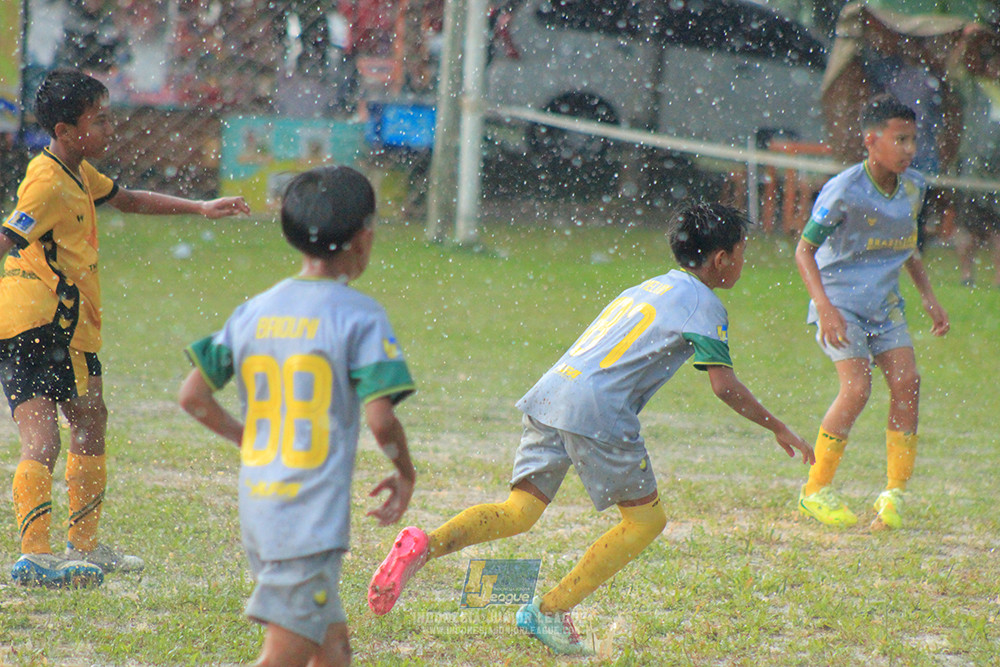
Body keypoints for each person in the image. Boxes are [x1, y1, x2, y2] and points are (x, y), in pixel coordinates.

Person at [367, 201, 815, 655]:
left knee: (519, 510)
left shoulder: (648, 287)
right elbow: (724, 386)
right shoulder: (706, 305)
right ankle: (549, 610)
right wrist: (777, 426)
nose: (742, 262)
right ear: (720, 259)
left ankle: (425, 544)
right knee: (646, 522)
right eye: (741, 253)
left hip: (554, 389)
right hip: (598, 409)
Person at [0, 68, 250, 588]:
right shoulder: (45, 182)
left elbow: (128, 199)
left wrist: (200, 208)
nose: (110, 128)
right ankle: (35, 555)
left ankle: (84, 546)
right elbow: (8, 237)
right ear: (66, 130)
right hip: (35, 322)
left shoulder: (77, 171)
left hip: (69, 326)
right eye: (100, 120)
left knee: (91, 419)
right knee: (43, 437)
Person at [179, 165, 417, 667]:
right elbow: (380, 421)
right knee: (284, 656)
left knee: (333, 648)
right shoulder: (361, 316)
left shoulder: (254, 311)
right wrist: (405, 472)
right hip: (309, 519)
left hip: (261, 507)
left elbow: (193, 396)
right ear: (364, 237)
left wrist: (249, 437)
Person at [795, 94, 950, 532]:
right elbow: (804, 251)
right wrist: (825, 308)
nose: (909, 149)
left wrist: (928, 296)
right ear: (871, 140)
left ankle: (894, 494)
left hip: (885, 304)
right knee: (857, 389)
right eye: (900, 139)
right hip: (841, 304)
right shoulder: (844, 189)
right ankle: (814, 491)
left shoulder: (914, 187)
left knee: (908, 382)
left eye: (913, 139)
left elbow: (908, 246)